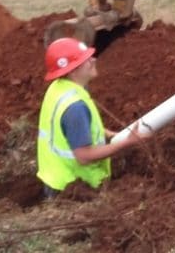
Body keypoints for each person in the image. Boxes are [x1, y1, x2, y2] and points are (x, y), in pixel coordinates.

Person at [36, 37, 142, 198]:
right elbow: (84, 157)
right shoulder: (75, 106)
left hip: (56, 178)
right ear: (72, 70)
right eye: (85, 59)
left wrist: (108, 134)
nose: (93, 59)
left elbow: (72, 129)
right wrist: (126, 143)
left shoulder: (59, 88)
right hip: (72, 189)